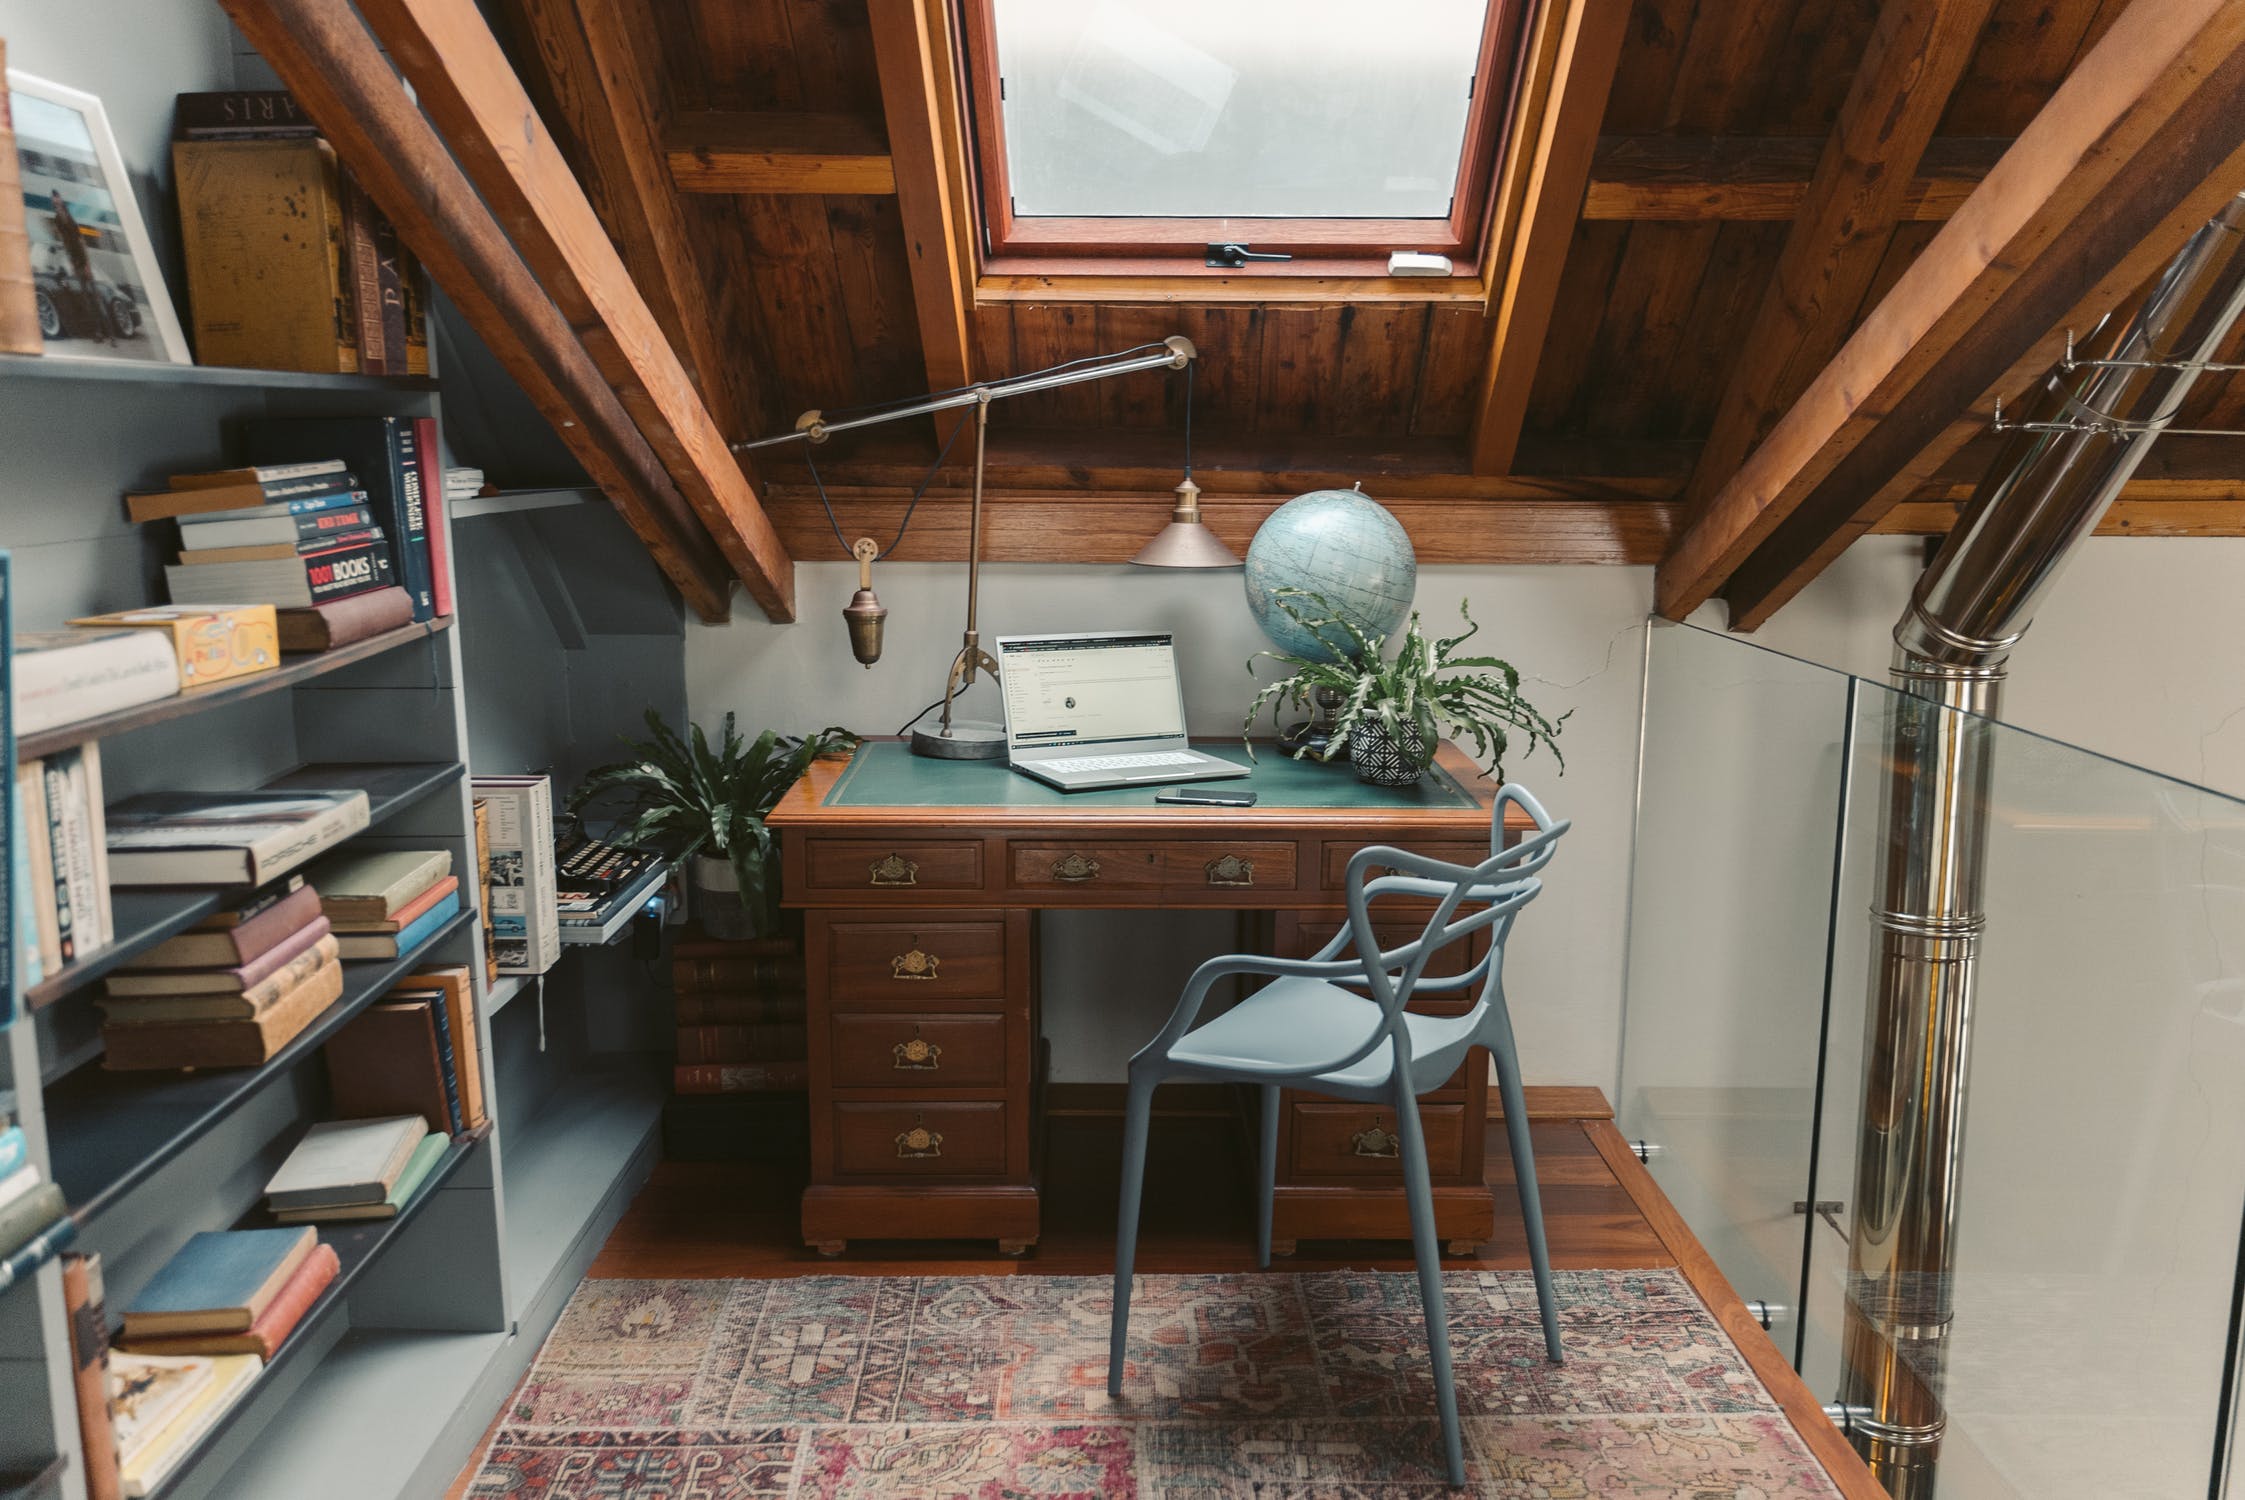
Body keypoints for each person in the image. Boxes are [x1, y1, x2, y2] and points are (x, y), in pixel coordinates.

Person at [49, 190, 114, 344]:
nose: (55, 201)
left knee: (97, 299)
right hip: (76, 264)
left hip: (84, 263)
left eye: (56, 198)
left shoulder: (70, 217)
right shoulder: (57, 219)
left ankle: (111, 335)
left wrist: (87, 265)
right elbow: (65, 242)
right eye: (53, 200)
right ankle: (98, 333)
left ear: (60, 199)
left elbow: (80, 241)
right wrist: (72, 263)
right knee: (87, 301)